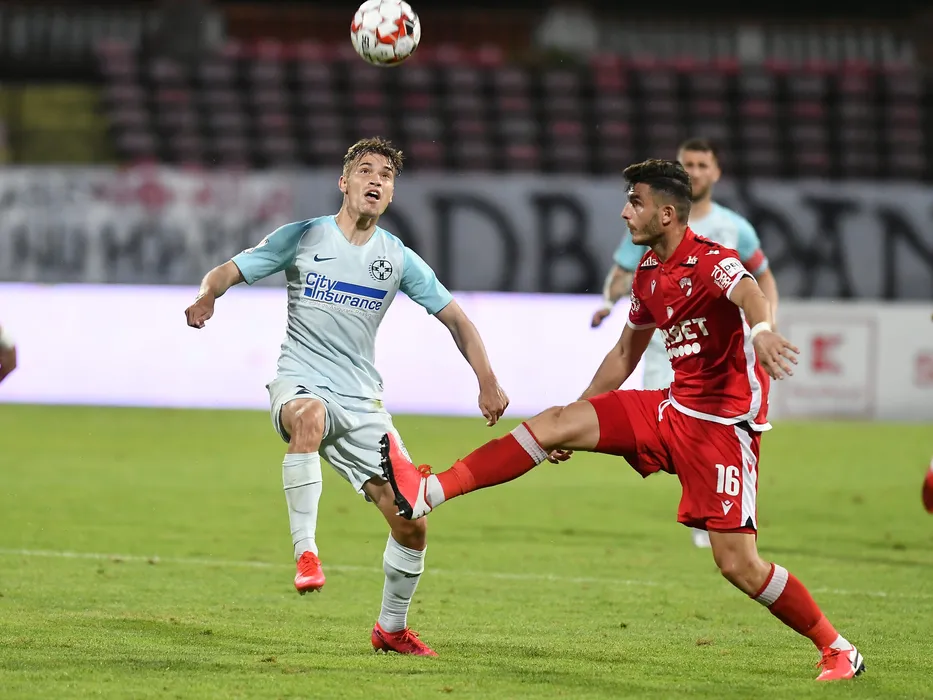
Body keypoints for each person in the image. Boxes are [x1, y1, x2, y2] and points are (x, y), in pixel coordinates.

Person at [381, 159, 865, 681]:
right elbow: (624, 353)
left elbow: (750, 293)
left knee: (738, 565)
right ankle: (430, 491)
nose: (624, 212)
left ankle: (838, 648)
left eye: (635, 202)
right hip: (671, 408)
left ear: (666, 213)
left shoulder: (711, 261)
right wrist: (579, 413)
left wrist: (763, 330)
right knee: (554, 422)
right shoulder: (649, 273)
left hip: (724, 429)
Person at [185, 137, 509, 656]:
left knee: (412, 525)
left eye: (386, 175)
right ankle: (306, 553)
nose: (375, 180)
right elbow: (226, 271)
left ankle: (391, 629)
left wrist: (486, 378)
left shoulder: (397, 258)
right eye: (365, 170)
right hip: (301, 382)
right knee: (309, 417)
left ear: (392, 193)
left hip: (362, 403)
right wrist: (208, 297)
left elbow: (457, 319)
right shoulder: (304, 236)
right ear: (344, 182)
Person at [591, 137, 780, 549]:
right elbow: (623, 271)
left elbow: (759, 279)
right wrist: (608, 300)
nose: (694, 171)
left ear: (716, 172)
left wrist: (764, 324)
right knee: (670, 438)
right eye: (687, 164)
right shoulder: (647, 222)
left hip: (718, 358)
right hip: (666, 349)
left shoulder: (733, 229)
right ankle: (714, 496)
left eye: (701, 165)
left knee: (696, 434)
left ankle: (716, 503)